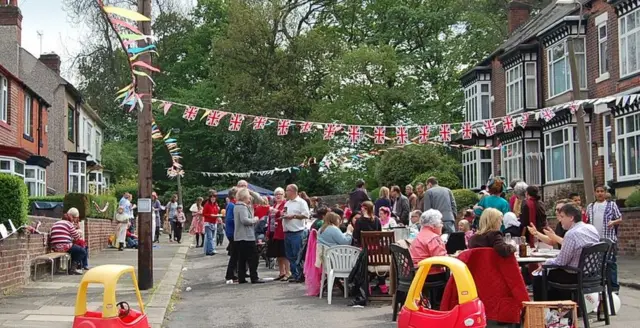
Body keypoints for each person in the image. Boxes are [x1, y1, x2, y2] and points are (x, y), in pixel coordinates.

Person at [532, 203, 599, 301]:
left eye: (562, 216)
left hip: (575, 275)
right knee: (552, 272)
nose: (560, 219)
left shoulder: (571, 234)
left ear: (571, 218)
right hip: (592, 274)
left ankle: (547, 311)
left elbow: (561, 262)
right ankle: (567, 308)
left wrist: (545, 263)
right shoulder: (591, 228)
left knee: (539, 276)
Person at [408, 209, 448, 310]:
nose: (442, 225)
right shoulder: (433, 238)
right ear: (433, 225)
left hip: (418, 273)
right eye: (440, 223)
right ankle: (444, 307)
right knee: (455, 277)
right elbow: (442, 260)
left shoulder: (419, 236)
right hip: (430, 274)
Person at [587, 184, 622, 292]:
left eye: (602, 191)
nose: (600, 193)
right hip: (595, 239)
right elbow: (587, 221)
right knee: (596, 263)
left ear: (605, 192)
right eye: (597, 191)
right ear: (595, 193)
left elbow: (620, 218)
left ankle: (614, 286)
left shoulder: (611, 205)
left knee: (610, 263)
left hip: (608, 239)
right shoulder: (591, 207)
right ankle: (599, 285)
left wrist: (613, 222)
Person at [234, 188, 265, 284]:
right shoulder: (242, 207)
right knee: (253, 257)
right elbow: (245, 220)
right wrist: (255, 219)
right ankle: (254, 277)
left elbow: (259, 200)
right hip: (246, 236)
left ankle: (241, 277)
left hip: (239, 236)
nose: (250, 198)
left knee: (242, 258)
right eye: (248, 196)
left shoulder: (237, 206)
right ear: (244, 197)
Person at [283, 184, 310, 283]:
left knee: (297, 254)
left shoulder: (301, 202)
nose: (286, 192)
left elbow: (306, 215)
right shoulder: (287, 203)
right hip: (287, 231)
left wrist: (293, 216)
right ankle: (295, 274)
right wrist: (283, 215)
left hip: (297, 231)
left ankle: (300, 275)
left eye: (287, 190)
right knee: (290, 255)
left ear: (293, 191)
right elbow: (285, 212)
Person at [267, 187, 290, 281]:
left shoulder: (285, 204)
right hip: (273, 231)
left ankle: (288, 272)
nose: (278, 196)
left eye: (280, 194)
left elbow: (285, 214)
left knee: (284, 253)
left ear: (284, 195)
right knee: (278, 254)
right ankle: (281, 272)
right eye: (276, 194)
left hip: (281, 231)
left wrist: (277, 212)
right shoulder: (275, 204)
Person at [225, 188, 240, 282]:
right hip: (232, 232)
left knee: (235, 254)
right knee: (235, 254)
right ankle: (230, 274)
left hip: (231, 232)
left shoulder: (230, 204)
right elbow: (230, 219)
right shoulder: (232, 205)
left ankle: (232, 274)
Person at [203, 190, 221, 256]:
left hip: (214, 222)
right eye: (212, 197)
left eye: (214, 197)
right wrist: (210, 215)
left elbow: (216, 212)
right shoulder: (207, 205)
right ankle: (211, 250)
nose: (213, 198)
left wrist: (218, 216)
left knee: (213, 237)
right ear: (210, 198)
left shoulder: (215, 205)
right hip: (208, 222)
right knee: (209, 237)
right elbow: (204, 213)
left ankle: (208, 250)